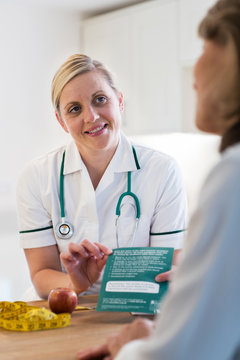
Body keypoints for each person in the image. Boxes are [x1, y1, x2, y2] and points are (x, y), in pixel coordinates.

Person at [76, 0, 240, 359]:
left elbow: (184, 353)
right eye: (74, 109)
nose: (194, 70)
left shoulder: (232, 177)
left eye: (205, 49)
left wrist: (132, 345)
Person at [16, 54, 187, 300]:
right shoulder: (37, 177)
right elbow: (42, 274)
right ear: (62, 121)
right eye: (75, 109)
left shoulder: (162, 172)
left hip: (132, 307)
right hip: (63, 308)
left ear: (119, 102)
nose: (91, 117)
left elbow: (167, 271)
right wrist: (76, 283)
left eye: (100, 99)